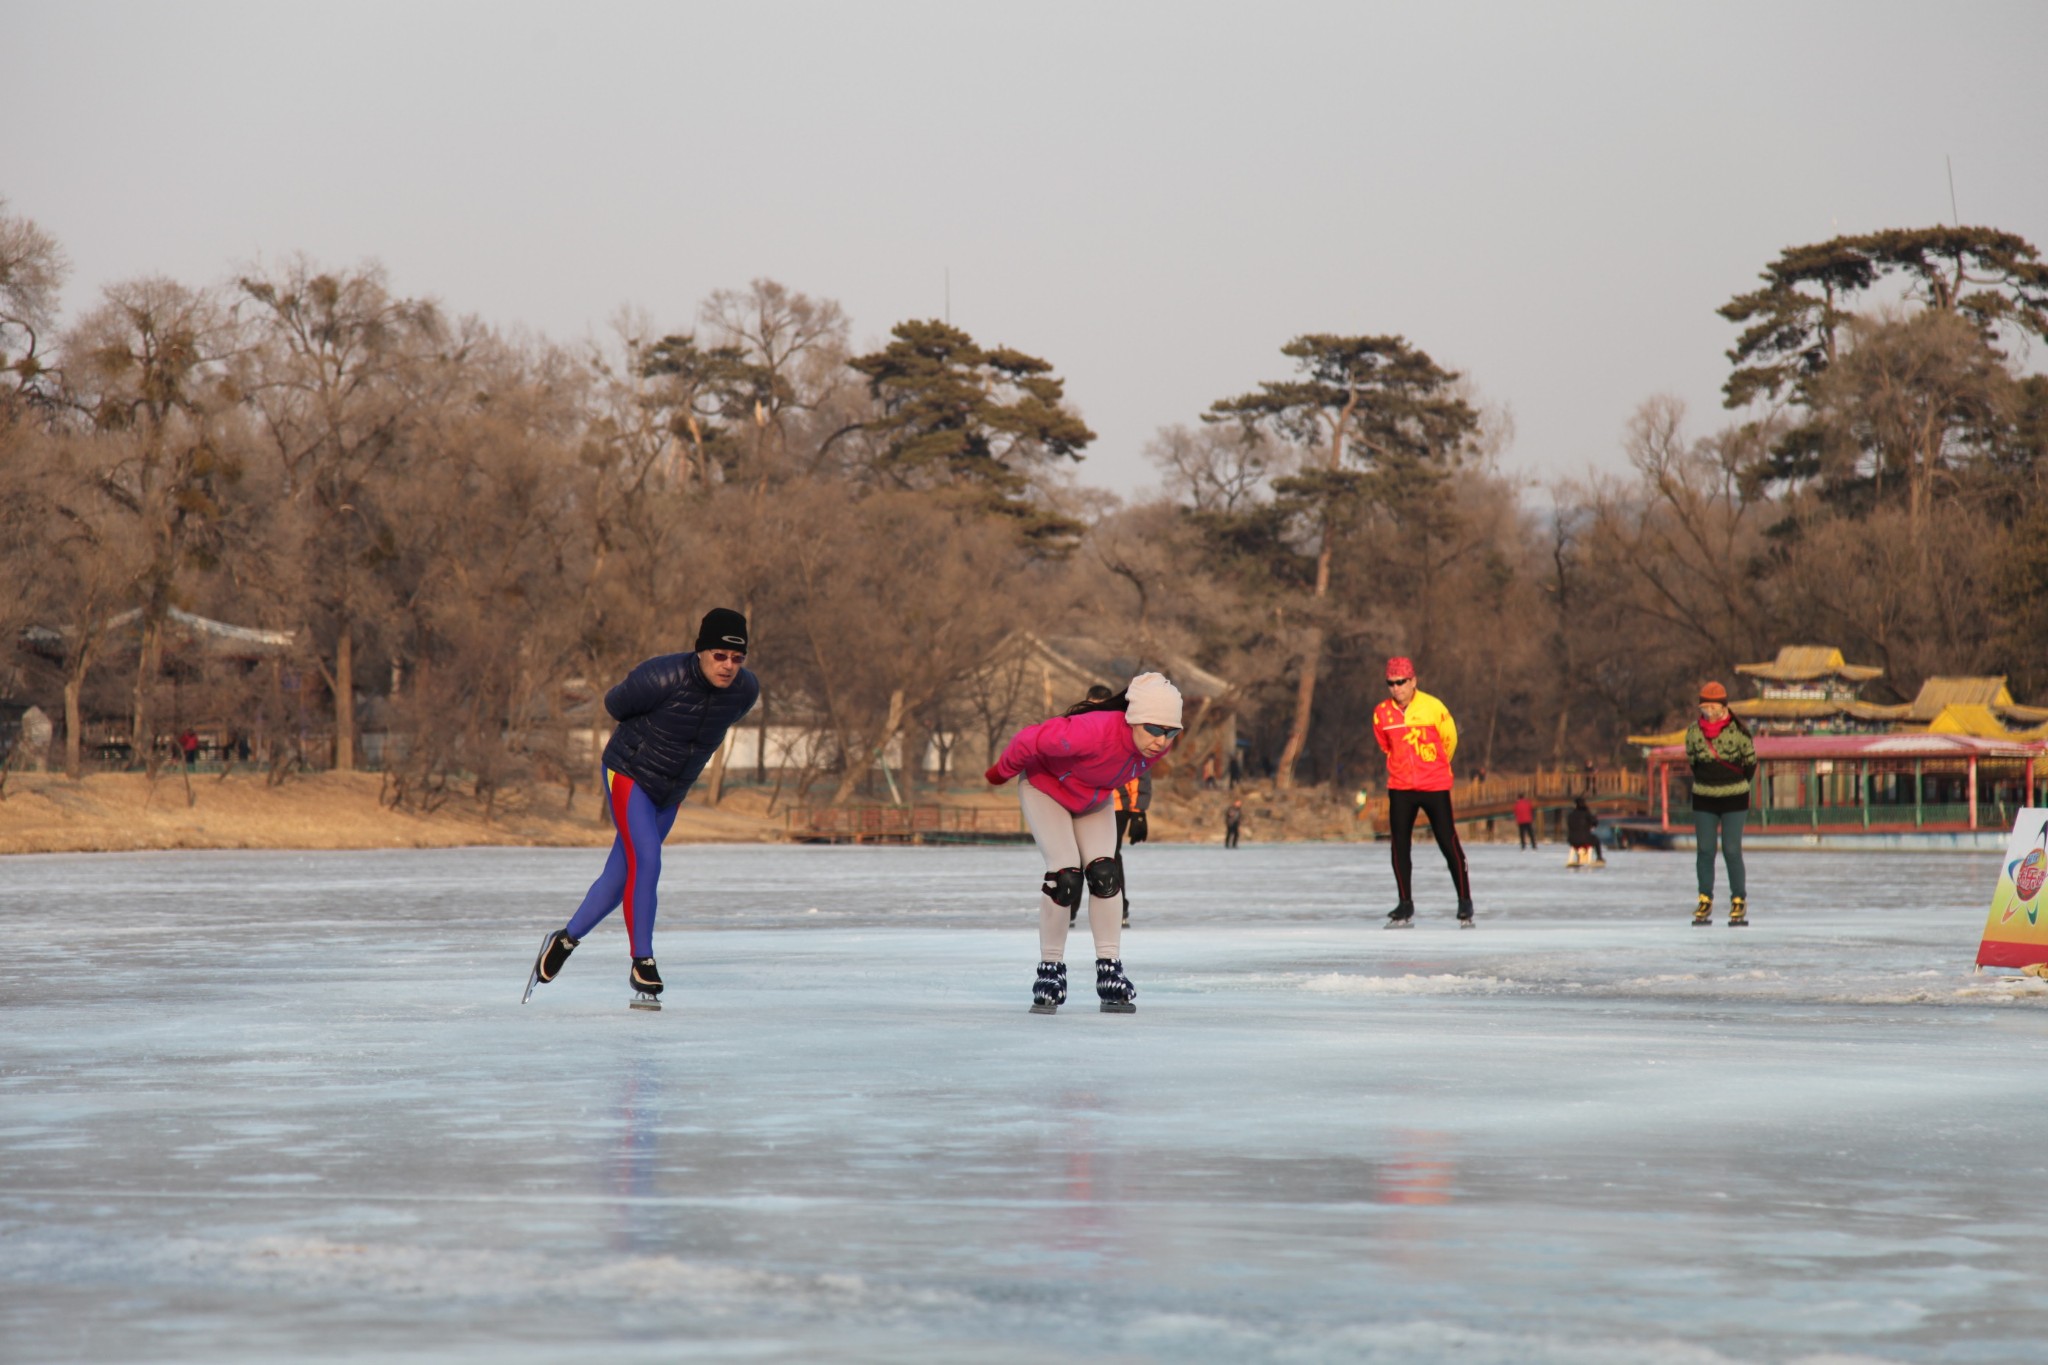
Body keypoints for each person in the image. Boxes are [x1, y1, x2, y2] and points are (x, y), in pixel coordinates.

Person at [524, 608, 760, 1007]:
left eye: (737, 658)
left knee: (621, 876)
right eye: (720, 655)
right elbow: (616, 705)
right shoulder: (662, 676)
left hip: (671, 791)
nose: (728, 666)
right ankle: (642, 960)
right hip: (630, 773)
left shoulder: (744, 691)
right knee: (647, 860)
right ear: (701, 651)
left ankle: (563, 941)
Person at [986, 672, 1183, 1014]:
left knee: (1105, 874)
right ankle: (1050, 970)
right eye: (1154, 729)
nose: (1161, 740)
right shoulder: (1091, 730)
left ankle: (1110, 970)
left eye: (1171, 732)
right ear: (1134, 719)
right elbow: (1027, 740)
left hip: (1092, 799)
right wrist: (1000, 773)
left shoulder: (1155, 747)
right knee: (1065, 875)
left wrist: (1137, 810)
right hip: (1045, 788)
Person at [1371, 657, 1475, 928]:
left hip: (1434, 785)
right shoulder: (1381, 713)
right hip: (1401, 787)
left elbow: (1449, 739)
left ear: (1413, 681)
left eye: (1401, 682)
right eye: (1391, 683)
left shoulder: (1433, 707)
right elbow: (1386, 746)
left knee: (1447, 841)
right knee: (1400, 845)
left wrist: (1437, 766)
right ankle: (1405, 904)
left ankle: (1464, 901)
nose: (1396, 688)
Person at [1686, 680, 1756, 927]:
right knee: (1705, 850)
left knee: (1731, 849)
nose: (1709, 710)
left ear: (1723, 706)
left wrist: (1734, 783)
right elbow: (1693, 761)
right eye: (1705, 706)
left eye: (1714, 706)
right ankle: (1705, 898)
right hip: (1704, 797)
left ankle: (1738, 899)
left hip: (1734, 798)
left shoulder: (1739, 733)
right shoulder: (1694, 732)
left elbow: (1750, 763)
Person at [1565, 795, 1605, 868]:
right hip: (1585, 838)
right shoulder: (1586, 813)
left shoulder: (1571, 815)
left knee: (1579, 838)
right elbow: (1595, 822)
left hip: (1572, 840)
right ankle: (1599, 857)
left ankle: (1578, 858)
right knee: (1596, 840)